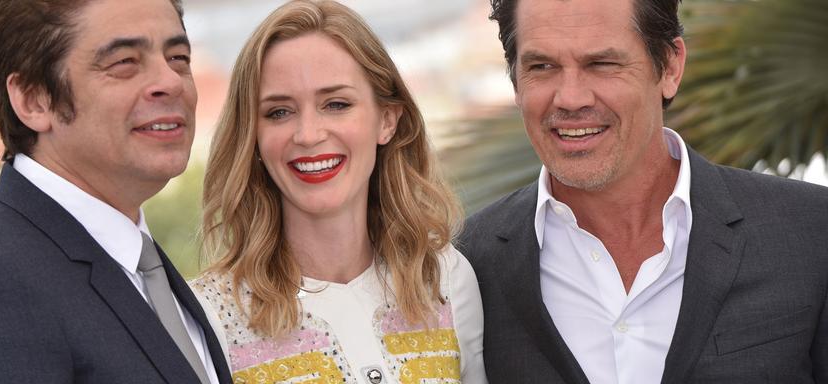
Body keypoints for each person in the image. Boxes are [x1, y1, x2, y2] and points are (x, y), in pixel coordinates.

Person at [457, 0, 828, 382]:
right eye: (542, 67)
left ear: (669, 67)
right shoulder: (461, 269)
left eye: (602, 64)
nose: (570, 98)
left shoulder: (812, 233)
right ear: (515, 81)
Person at [0, 0, 231, 382]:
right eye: (124, 63)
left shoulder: (140, 262)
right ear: (33, 100)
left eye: (178, 57)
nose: (170, 81)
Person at [190, 1, 487, 382]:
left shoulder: (445, 278)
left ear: (387, 121)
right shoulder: (209, 316)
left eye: (336, 104)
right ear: (254, 138)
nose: (309, 134)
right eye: (279, 112)